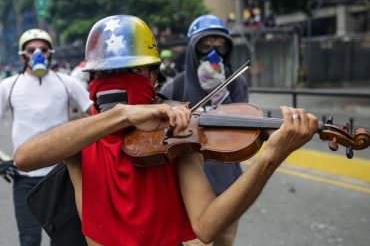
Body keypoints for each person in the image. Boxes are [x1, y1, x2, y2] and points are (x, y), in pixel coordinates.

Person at [14, 15, 318, 246]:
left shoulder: (176, 132)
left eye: (131, 72)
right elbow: (25, 158)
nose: (117, 82)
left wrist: (269, 158)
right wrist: (121, 114)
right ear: (92, 80)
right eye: (106, 74)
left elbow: (207, 227)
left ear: (153, 76)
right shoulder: (83, 136)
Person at [160, 14, 248, 245]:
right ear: (192, 49)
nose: (213, 52)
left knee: (225, 241)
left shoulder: (236, 83)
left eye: (219, 46)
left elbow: (244, 134)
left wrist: (225, 101)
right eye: (205, 45)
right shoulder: (176, 85)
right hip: (189, 187)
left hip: (227, 182)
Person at [0, 28, 92, 246]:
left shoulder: (66, 82)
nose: (38, 54)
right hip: (24, 179)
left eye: (43, 49)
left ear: (50, 52)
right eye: (32, 50)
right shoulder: (8, 86)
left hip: (61, 176)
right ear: (23, 55)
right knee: (29, 239)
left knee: (66, 240)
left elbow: (96, 115)